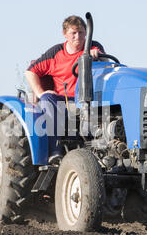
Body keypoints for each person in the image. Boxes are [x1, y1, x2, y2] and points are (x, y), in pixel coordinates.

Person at [25, 15, 105, 164]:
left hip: (89, 100)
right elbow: (30, 71)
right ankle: (55, 151)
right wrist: (40, 92)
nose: (78, 37)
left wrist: (98, 56)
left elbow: (106, 64)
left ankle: (103, 151)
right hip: (63, 101)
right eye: (73, 33)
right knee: (47, 99)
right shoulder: (56, 53)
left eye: (81, 32)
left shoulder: (93, 46)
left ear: (86, 33)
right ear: (65, 34)